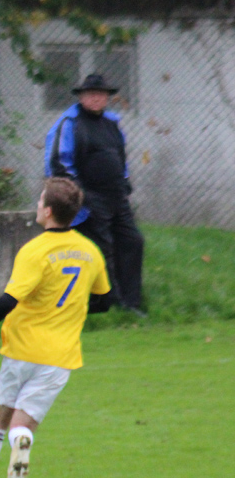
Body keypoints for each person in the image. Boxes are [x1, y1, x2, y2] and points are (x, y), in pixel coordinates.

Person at [0, 177, 111, 478]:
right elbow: (104, 301)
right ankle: (21, 443)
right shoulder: (90, 252)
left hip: (22, 350)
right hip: (60, 358)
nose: (37, 206)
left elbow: (8, 300)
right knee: (21, 427)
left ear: (49, 211)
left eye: (40, 201)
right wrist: (70, 309)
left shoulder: (35, 251)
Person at [44, 73, 145, 315]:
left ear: (108, 98)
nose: (97, 98)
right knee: (103, 249)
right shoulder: (69, 123)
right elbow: (58, 164)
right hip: (88, 200)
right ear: (81, 97)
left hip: (117, 198)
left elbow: (120, 157)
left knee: (132, 242)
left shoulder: (112, 123)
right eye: (91, 94)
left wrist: (125, 182)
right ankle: (107, 303)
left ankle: (131, 304)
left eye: (101, 94)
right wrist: (81, 196)